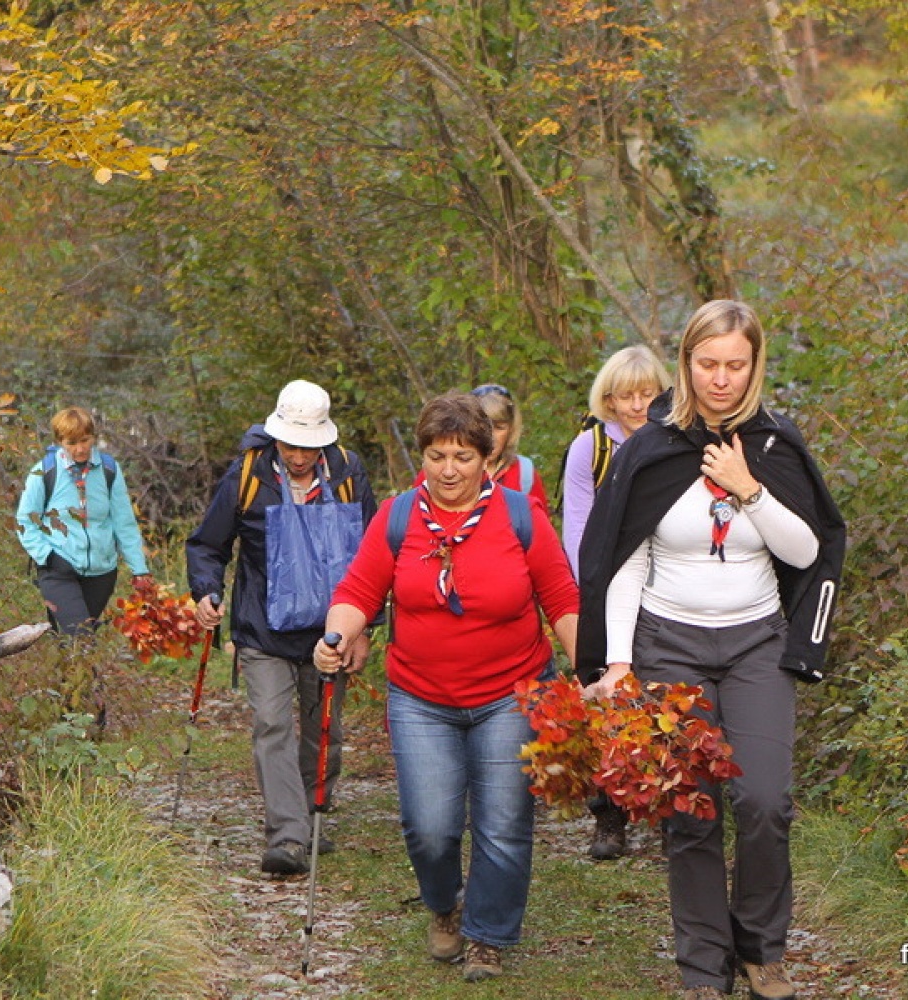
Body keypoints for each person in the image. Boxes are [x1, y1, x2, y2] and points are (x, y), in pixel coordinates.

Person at [575, 301, 846, 1000]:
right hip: (669, 646)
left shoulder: (775, 445)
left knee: (765, 801)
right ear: (686, 362)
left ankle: (761, 949)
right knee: (690, 810)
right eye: (707, 364)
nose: (721, 379)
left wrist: (748, 489)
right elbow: (623, 559)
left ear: (755, 366)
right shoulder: (652, 447)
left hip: (757, 644)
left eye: (736, 365)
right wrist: (619, 661)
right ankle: (703, 967)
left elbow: (809, 551)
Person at [314, 393, 578, 983]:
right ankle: (444, 904)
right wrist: (337, 634)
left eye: (462, 456)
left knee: (503, 822)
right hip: (420, 696)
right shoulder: (398, 516)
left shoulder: (521, 516)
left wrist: (594, 671)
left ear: (488, 457)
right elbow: (358, 591)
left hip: (512, 693)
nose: (449, 470)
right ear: (423, 457)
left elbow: (562, 599)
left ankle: (487, 935)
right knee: (429, 827)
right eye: (437, 456)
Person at [186, 380, 377, 877]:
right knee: (272, 724)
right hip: (262, 629)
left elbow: (372, 554)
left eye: (308, 447)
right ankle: (288, 836)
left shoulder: (347, 472)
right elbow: (208, 545)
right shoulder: (247, 475)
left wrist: (364, 628)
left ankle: (311, 815)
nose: (298, 456)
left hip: (330, 630)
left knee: (323, 730)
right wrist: (206, 591)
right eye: (291, 445)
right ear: (276, 436)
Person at [560, 344, 670, 860]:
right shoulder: (590, 448)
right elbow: (578, 525)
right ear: (609, 399)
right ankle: (609, 814)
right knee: (605, 700)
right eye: (628, 396)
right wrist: (593, 590)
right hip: (603, 588)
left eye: (647, 394)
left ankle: (669, 811)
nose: (638, 405)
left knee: (663, 700)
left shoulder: (671, 440)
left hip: (665, 587)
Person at [16, 406, 151, 638]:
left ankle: (63, 662)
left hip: (101, 572)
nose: (80, 449)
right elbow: (25, 521)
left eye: (85, 440)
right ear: (59, 441)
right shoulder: (45, 472)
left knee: (73, 643)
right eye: (71, 443)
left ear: (94, 437)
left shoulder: (109, 470)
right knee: (81, 637)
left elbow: (124, 523)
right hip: (58, 570)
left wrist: (140, 570)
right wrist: (49, 557)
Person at [413, 383, 548, 509]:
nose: (491, 435)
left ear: (511, 430)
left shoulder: (524, 475)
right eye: (483, 428)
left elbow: (538, 521)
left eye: (499, 427)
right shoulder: (435, 474)